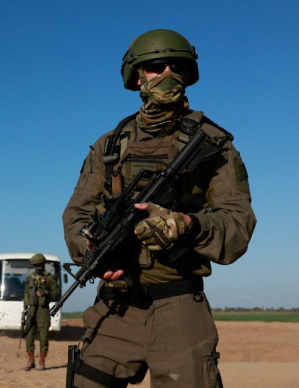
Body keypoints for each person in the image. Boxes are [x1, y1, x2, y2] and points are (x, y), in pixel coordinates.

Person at [62, 29, 256, 387]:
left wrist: (184, 225)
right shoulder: (109, 146)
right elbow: (76, 215)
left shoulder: (215, 145)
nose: (167, 73)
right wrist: (89, 248)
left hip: (180, 308)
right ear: (137, 76)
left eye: (176, 65)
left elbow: (239, 224)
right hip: (115, 307)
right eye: (155, 66)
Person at [22, 253, 61, 371]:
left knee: (43, 336)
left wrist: (45, 293)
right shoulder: (30, 278)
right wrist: (25, 308)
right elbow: (26, 293)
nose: (38, 266)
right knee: (29, 334)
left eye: (39, 264)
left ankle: (42, 361)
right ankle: (30, 361)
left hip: (43, 310)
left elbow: (57, 293)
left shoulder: (49, 277)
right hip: (31, 309)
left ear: (44, 264)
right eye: (35, 265)